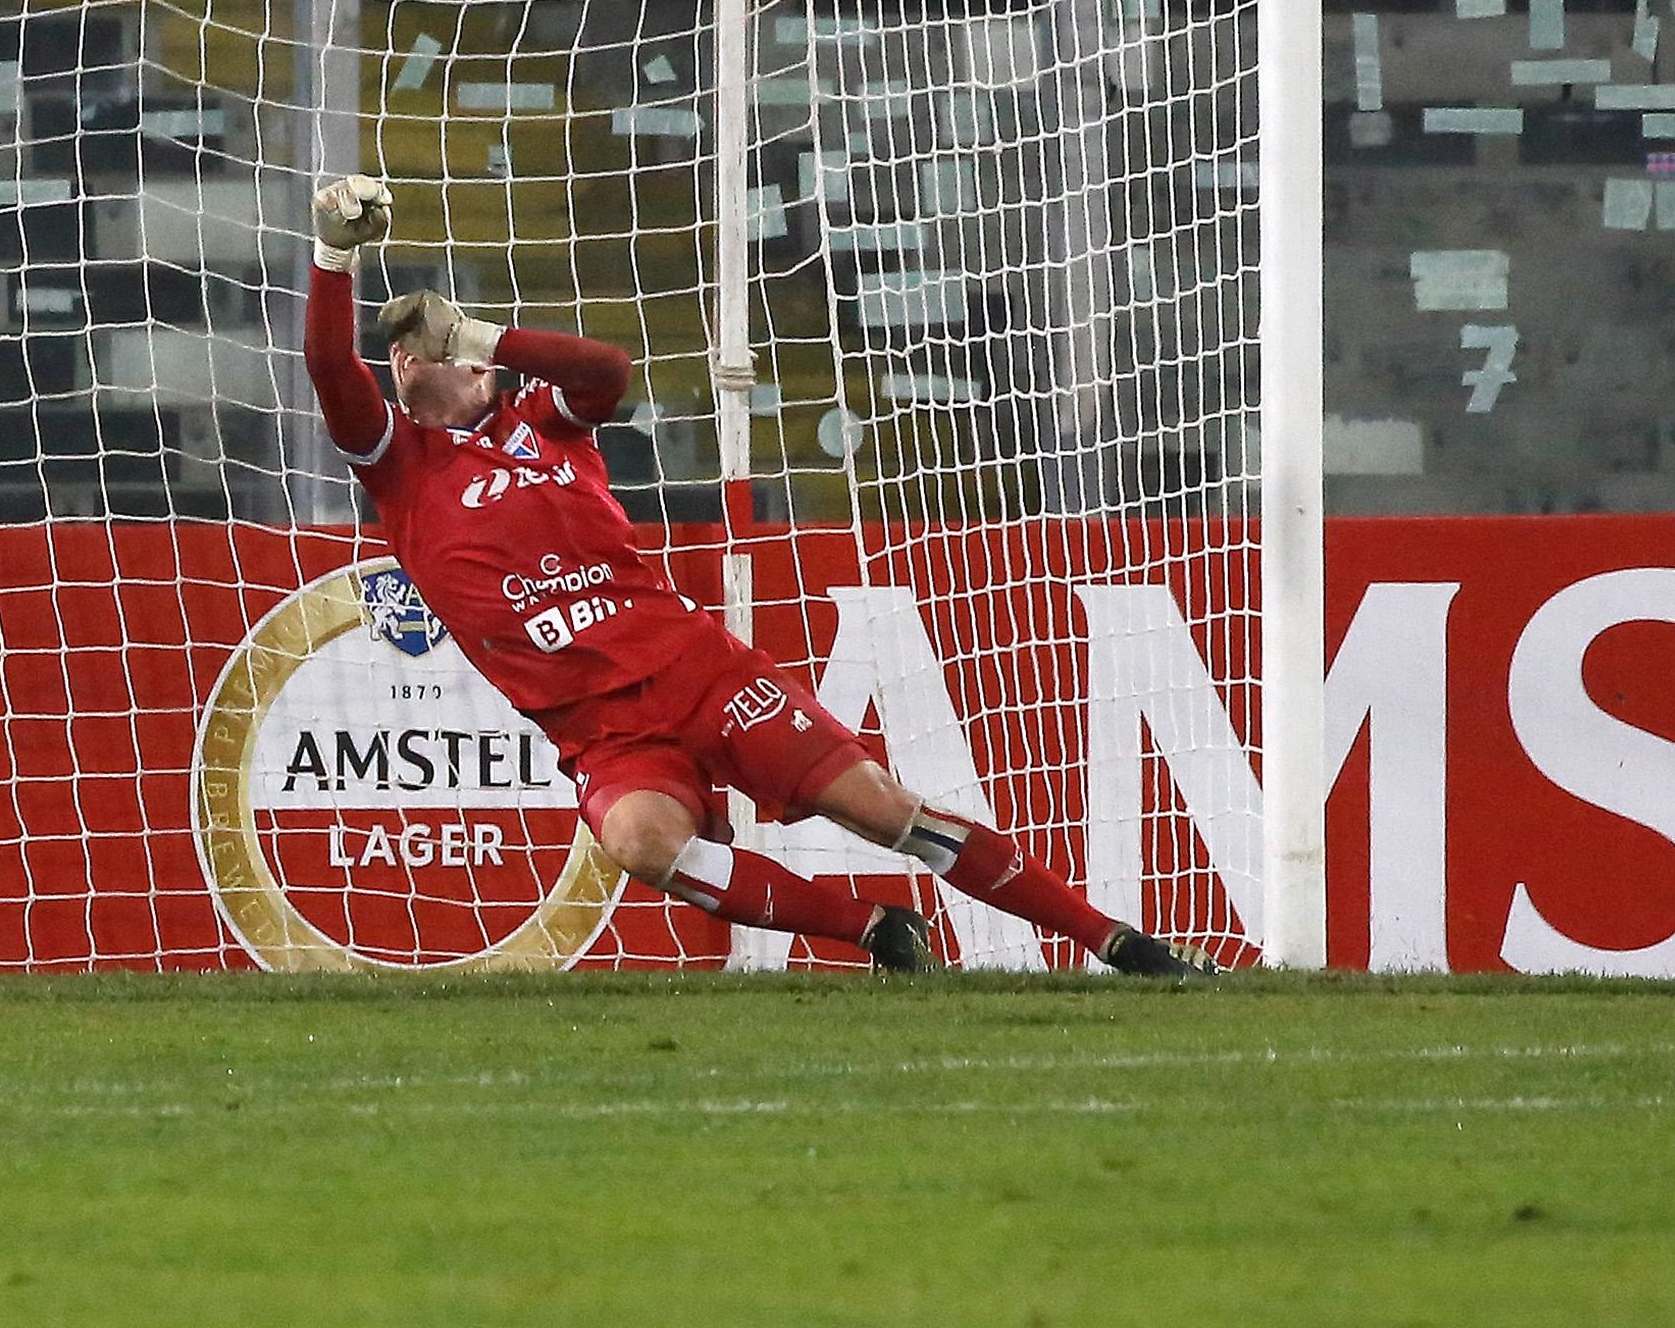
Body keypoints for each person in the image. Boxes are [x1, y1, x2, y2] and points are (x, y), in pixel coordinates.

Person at [300, 172, 1213, 980]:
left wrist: (482, 329)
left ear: (476, 363)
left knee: (888, 811)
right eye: (402, 357)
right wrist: (335, 254)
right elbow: (329, 364)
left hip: (698, 670)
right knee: (641, 841)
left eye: (431, 350)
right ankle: (873, 929)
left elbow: (609, 368)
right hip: (602, 731)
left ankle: (1113, 940)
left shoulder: (545, 420)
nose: (407, 364)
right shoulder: (399, 465)